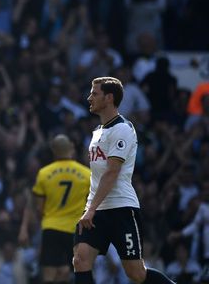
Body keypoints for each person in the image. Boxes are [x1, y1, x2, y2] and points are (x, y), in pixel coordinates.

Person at [72, 77, 174, 283]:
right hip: (97, 209)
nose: (89, 97)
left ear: (109, 98)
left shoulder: (123, 129)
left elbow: (112, 172)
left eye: (94, 93)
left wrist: (90, 208)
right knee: (80, 259)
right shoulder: (97, 132)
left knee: (136, 273)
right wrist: (90, 208)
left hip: (121, 209)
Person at [19, 134, 91, 284]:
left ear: (53, 151)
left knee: (49, 275)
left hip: (51, 228)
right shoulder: (86, 174)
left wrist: (27, 227)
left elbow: (38, 208)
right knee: (75, 272)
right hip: (75, 230)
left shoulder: (44, 173)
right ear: (71, 149)